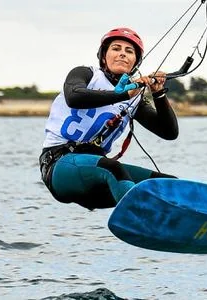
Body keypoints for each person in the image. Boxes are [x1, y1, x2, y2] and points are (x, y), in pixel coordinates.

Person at [39, 27, 179, 210]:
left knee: (169, 185)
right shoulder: (86, 74)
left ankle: (186, 226)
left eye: (129, 52)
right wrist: (123, 94)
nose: (122, 54)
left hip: (98, 178)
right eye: (116, 48)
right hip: (59, 165)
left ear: (135, 62)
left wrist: (158, 93)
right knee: (113, 168)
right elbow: (74, 97)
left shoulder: (134, 99)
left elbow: (169, 132)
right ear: (104, 56)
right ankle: (143, 221)